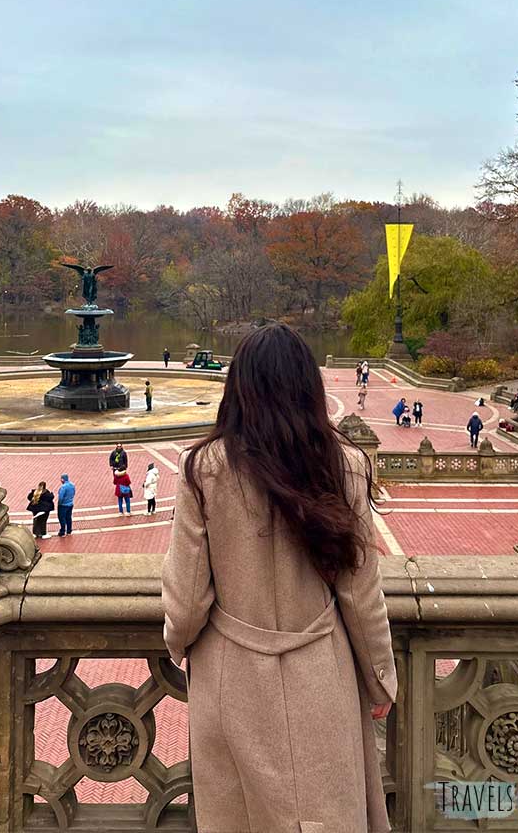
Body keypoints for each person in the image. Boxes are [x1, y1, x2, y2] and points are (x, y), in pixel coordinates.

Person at [162, 323, 396, 833]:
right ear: (308, 387)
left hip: (232, 676)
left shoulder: (203, 468)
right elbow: (360, 594)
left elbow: (185, 601)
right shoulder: (345, 465)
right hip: (321, 670)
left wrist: (179, 645)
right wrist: (380, 680)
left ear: (238, 387)